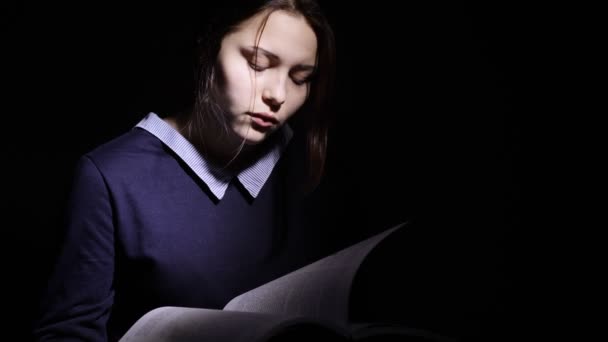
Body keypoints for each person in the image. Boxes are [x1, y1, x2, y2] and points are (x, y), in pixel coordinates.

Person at [33, 1, 350, 340]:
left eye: (301, 78)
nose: (278, 94)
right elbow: (68, 332)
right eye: (258, 64)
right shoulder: (111, 176)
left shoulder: (315, 171)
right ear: (209, 47)